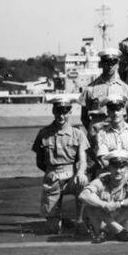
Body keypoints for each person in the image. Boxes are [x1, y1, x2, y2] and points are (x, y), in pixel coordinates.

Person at [32, 95, 89, 234]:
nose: (61, 115)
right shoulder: (43, 134)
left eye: (65, 111)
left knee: (83, 183)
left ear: (70, 112)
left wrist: (80, 173)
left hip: (72, 177)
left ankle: (80, 221)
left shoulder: (78, 134)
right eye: (58, 111)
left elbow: (83, 159)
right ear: (53, 111)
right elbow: (39, 161)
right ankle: (61, 220)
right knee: (53, 229)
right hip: (53, 177)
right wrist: (51, 172)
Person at [79, 151, 128, 243]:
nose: (118, 171)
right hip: (106, 228)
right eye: (115, 167)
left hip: (125, 225)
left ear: (127, 168)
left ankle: (115, 230)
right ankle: (119, 230)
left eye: (122, 167)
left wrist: (119, 204)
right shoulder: (102, 180)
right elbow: (83, 195)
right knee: (90, 203)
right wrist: (104, 205)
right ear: (109, 168)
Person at [80, 50, 128, 131]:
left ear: (118, 64)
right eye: (106, 62)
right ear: (101, 64)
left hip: (119, 133)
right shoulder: (90, 88)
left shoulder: (125, 88)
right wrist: (93, 130)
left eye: (113, 62)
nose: (110, 66)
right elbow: (84, 117)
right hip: (97, 132)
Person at [92, 97, 128, 174]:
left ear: (124, 111)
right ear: (108, 112)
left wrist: (124, 165)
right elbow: (104, 161)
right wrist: (125, 164)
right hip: (110, 173)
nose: (115, 113)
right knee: (94, 185)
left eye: (118, 110)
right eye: (112, 110)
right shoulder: (102, 133)